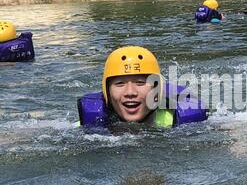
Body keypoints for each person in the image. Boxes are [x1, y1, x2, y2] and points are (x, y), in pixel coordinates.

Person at [77, 46, 208, 129]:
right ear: (107, 92)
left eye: (140, 83)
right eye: (119, 83)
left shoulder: (182, 121)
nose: (130, 92)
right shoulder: (90, 123)